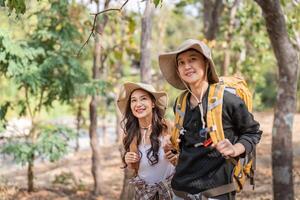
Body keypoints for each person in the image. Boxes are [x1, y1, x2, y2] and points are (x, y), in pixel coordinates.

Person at [158, 39, 262, 200]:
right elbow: (189, 144)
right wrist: (173, 149)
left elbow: (253, 132)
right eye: (181, 62)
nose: (187, 66)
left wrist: (235, 149)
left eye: (193, 59)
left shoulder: (227, 101)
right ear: (178, 70)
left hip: (216, 193)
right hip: (180, 191)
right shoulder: (180, 103)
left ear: (206, 63)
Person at [117, 82, 176, 200]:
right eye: (133, 100)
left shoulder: (168, 127)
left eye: (143, 99)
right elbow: (134, 169)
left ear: (153, 103)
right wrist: (129, 160)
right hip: (144, 193)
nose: (138, 104)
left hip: (170, 191)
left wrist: (174, 152)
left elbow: (182, 156)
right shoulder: (130, 134)